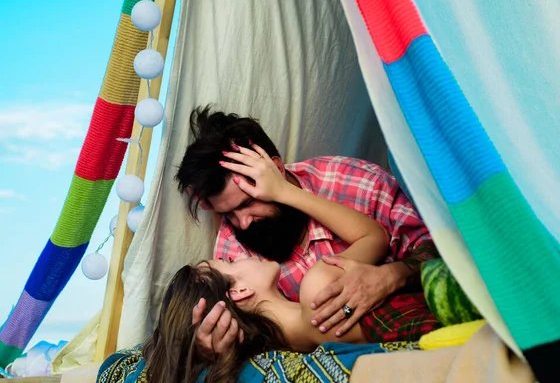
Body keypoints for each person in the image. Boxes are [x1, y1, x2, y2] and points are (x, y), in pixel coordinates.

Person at [175, 106, 439, 358]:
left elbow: (444, 252)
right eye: (228, 214)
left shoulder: (356, 183)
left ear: (276, 170)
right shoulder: (233, 247)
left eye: (247, 203)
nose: (242, 224)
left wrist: (395, 275)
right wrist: (209, 350)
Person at [143, 160, 439, 382]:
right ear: (240, 292)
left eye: (248, 203)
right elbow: (374, 237)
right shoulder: (319, 288)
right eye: (230, 263)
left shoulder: (279, 345)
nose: (241, 228)